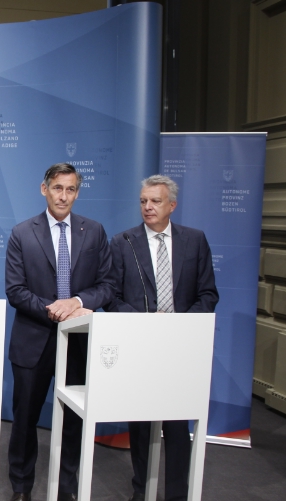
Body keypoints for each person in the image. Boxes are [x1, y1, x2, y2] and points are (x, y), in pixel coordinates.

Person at [5, 162, 113, 501]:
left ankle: (66, 488)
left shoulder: (94, 231)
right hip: (33, 341)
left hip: (78, 342)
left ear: (77, 193)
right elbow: (15, 290)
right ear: (44, 189)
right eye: (57, 188)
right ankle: (21, 487)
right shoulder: (22, 233)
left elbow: (107, 285)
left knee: (73, 421)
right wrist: (54, 309)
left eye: (70, 189)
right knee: (25, 419)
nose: (63, 196)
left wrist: (76, 302)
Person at [106, 175, 218, 501]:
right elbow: (112, 297)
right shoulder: (123, 242)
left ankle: (177, 494)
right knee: (141, 425)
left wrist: (179, 326)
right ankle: (141, 490)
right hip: (140, 346)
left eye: (155, 201)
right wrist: (144, 323)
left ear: (172, 205)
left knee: (177, 426)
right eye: (143, 201)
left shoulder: (194, 241)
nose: (148, 207)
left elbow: (208, 294)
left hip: (180, 348)